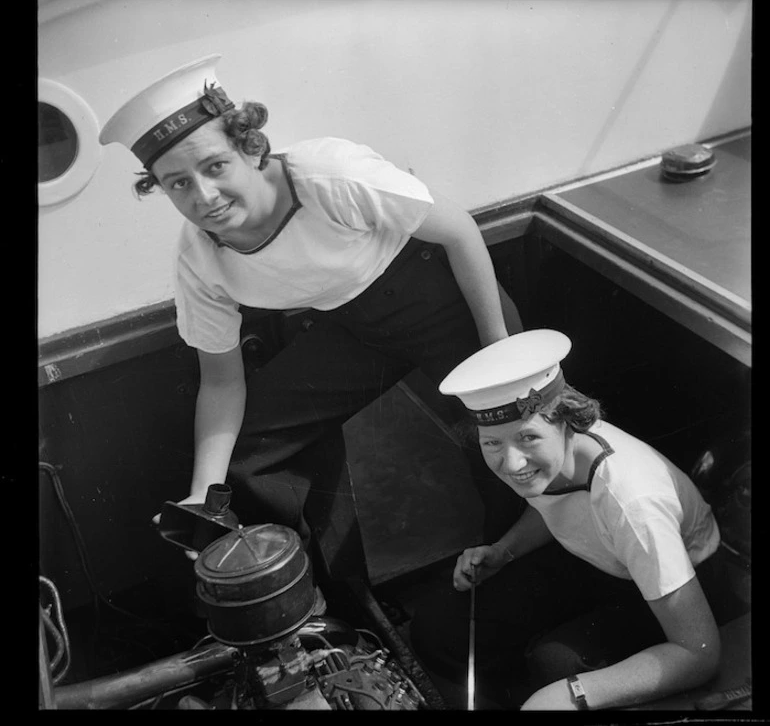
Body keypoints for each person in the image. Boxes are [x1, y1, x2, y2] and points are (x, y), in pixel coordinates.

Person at [98, 54, 523, 575]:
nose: (204, 196)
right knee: (248, 451)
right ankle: (318, 593)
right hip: (355, 325)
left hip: (444, 293)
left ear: (249, 147)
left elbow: (459, 232)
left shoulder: (328, 175)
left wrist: (498, 348)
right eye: (178, 183)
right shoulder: (198, 259)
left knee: (506, 432)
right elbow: (223, 384)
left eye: (215, 166)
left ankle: (507, 564)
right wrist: (201, 499)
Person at [409, 329, 747, 710]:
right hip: (604, 557)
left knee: (557, 666)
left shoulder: (631, 500)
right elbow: (557, 503)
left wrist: (569, 695)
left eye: (528, 438)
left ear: (567, 421)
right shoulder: (548, 462)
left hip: (683, 583)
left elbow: (699, 653)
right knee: (440, 630)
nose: (511, 463)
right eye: (492, 443)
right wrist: (504, 551)